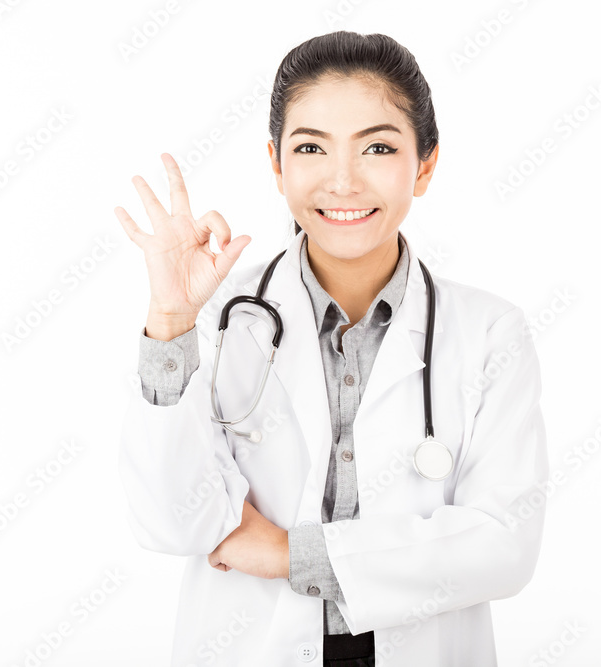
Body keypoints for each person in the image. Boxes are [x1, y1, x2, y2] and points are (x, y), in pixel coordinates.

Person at [115, 30, 548, 667]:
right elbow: (172, 522)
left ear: (423, 165)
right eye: (311, 147)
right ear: (276, 164)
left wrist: (291, 553)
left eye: (377, 146)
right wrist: (171, 318)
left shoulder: (487, 331)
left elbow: (503, 545)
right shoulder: (213, 319)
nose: (342, 181)